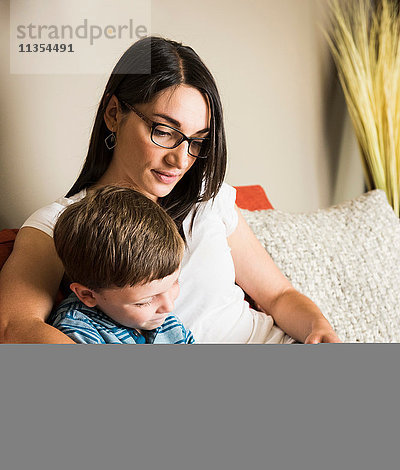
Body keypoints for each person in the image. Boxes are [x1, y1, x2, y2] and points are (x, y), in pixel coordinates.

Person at [0, 36, 340, 344]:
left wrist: (318, 328)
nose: (181, 159)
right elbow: (14, 326)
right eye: (164, 131)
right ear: (114, 113)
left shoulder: (207, 196)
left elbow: (279, 295)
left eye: (197, 141)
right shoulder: (58, 223)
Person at [49, 185, 194, 344]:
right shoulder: (78, 329)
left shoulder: (166, 322)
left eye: (174, 283)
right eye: (144, 302)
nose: (169, 307)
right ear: (88, 295)